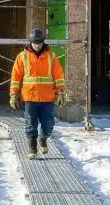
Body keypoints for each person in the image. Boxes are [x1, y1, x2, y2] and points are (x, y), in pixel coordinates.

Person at [10, 28, 67, 159]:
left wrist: (61, 92)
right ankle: (32, 148)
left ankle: (43, 138)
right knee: (31, 124)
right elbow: (15, 77)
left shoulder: (51, 57)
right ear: (30, 42)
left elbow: (58, 75)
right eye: (35, 43)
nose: (37, 45)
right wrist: (13, 95)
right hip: (29, 98)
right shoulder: (22, 57)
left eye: (39, 43)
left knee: (48, 124)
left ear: (43, 42)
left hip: (48, 98)